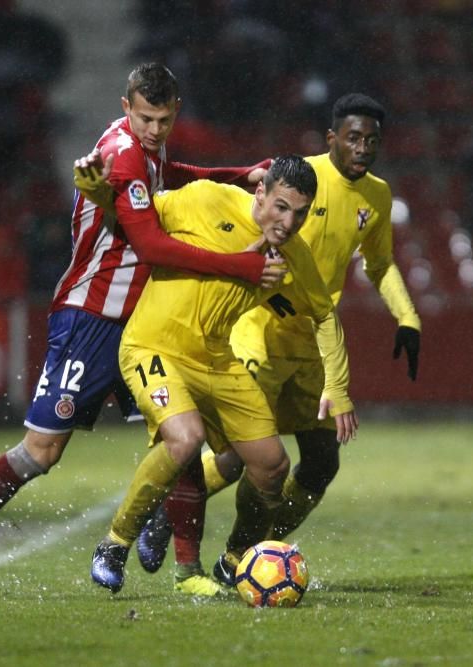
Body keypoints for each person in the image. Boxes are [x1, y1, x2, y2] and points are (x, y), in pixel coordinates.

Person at [0, 63, 283, 598]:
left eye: (164, 120)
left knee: (182, 440)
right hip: (91, 316)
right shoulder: (120, 156)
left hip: (143, 320)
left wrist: (238, 175)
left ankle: (187, 571)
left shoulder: (148, 147)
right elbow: (150, 245)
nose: (155, 130)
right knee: (40, 453)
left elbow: (169, 178)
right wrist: (244, 264)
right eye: (146, 118)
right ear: (126, 108)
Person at [128, 93, 421, 594]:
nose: (362, 147)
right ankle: (172, 510)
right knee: (242, 454)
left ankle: (254, 554)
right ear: (332, 138)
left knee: (322, 462)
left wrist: (407, 316)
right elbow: (237, 210)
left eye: (372, 139)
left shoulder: (377, 196)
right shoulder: (297, 178)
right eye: (353, 137)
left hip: (310, 343)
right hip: (257, 331)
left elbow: (380, 264)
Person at [88, 155, 359, 594]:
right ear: (261, 193)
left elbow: (324, 315)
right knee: (185, 437)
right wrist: (98, 191)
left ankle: (236, 559)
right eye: (281, 207)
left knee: (272, 466)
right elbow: (133, 219)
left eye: (300, 213)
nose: (289, 222)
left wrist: (338, 387)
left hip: (218, 359)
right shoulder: (204, 199)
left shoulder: (294, 253)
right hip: (155, 346)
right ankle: (114, 543)